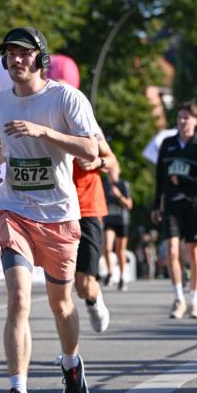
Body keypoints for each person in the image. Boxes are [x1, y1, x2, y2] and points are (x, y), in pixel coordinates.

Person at [0, 26, 100, 393]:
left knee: (61, 305)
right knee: (18, 299)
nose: (16, 60)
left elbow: (91, 151)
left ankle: (71, 362)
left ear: (40, 58)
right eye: (10, 54)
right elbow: (1, 141)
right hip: (14, 210)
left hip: (58, 216)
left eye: (24, 53)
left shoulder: (65, 97)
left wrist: (43, 132)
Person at [151, 102, 197, 319]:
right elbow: (160, 179)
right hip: (171, 204)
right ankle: (179, 298)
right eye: (180, 117)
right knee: (171, 250)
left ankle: (194, 301)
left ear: (196, 120)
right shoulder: (167, 144)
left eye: (187, 117)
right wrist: (155, 205)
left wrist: (186, 179)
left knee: (194, 251)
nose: (182, 121)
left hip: (194, 203)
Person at [72, 135, 114, 332]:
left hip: (89, 210)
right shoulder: (49, 125)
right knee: (66, 290)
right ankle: (68, 351)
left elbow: (112, 160)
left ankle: (95, 300)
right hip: (59, 211)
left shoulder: (89, 130)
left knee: (86, 287)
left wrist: (97, 162)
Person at [103, 161, 133, 290]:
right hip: (109, 221)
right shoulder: (104, 185)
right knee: (107, 246)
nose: (111, 174)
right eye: (109, 171)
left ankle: (122, 277)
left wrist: (119, 195)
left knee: (120, 250)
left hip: (122, 221)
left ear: (118, 171)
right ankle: (110, 273)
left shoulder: (123, 185)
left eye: (113, 171)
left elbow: (129, 205)